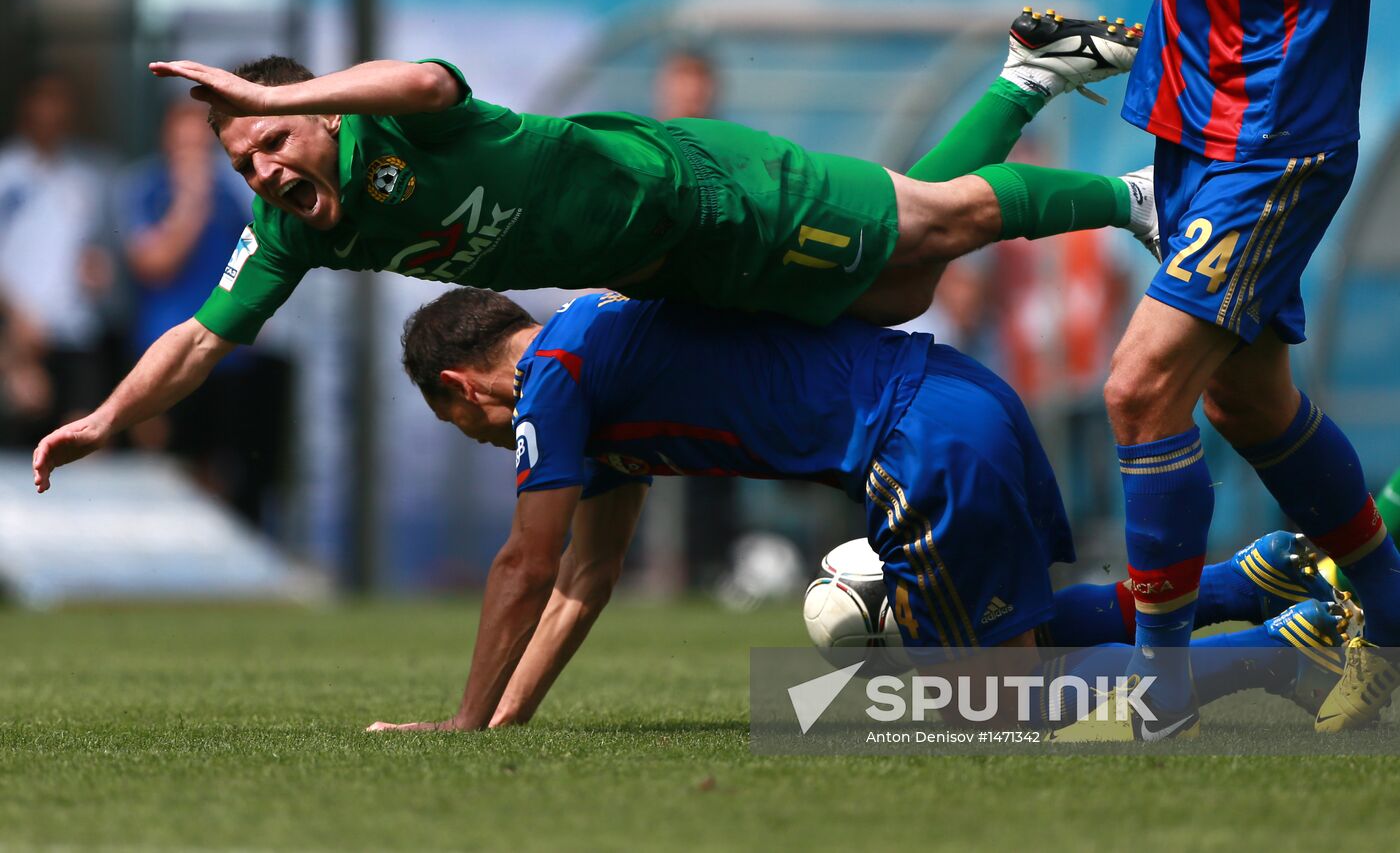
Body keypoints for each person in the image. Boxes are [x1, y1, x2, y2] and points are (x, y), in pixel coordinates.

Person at [32, 10, 1159, 493]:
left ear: (323, 113)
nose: (264, 171)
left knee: (931, 226)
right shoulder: (292, 230)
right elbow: (197, 336)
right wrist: (104, 419)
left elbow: (426, 80)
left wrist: (270, 92)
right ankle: (1025, 71)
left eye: (274, 139)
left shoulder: (395, 118)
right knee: (894, 283)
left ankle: (1131, 196)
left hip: (697, 191)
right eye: (243, 165)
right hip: (663, 263)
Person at [367, 287, 1349, 734]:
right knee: (1018, 643)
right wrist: (500, 722)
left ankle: (1280, 654)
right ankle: (1243, 581)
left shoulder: (552, 380)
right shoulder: (598, 360)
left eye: (466, 428)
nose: (489, 442)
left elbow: (525, 567)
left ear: (459, 386)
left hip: (912, 445)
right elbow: (585, 579)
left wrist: (458, 723)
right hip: (960, 397)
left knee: (988, 705)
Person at [1105, 0, 1398, 735]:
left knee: (1140, 389)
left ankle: (1160, 699)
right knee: (1249, 402)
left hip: (1274, 132)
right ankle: (1392, 608)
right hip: (1189, 122)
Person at [118, 97, 290, 523]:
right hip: (162, 345)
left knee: (226, 464)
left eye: (200, 143)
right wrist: (189, 205)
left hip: (226, 351)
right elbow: (154, 263)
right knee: (165, 461)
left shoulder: (237, 190)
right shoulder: (144, 188)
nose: (192, 153)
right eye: (182, 143)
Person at [0, 73, 118, 444]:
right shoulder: (7, 172)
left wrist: (99, 271)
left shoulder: (91, 174)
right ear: (27, 110)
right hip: (19, 335)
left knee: (83, 439)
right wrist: (16, 319)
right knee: (21, 446)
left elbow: (98, 248)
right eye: (44, 104)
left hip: (76, 329)